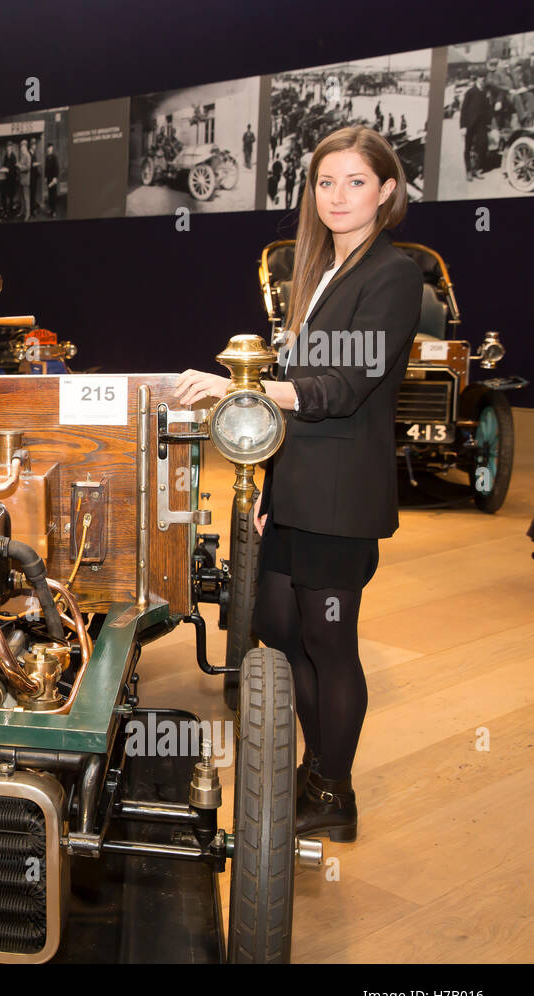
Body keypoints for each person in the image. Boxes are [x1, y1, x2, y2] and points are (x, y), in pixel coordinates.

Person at [174, 125, 420, 843]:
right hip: (299, 491)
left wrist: (240, 389)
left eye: (355, 182)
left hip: (341, 497)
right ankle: (317, 767)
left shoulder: (394, 274)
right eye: (325, 182)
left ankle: (334, 791)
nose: (338, 196)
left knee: (329, 642)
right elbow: (300, 393)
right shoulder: (316, 277)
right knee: (279, 631)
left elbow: (339, 388)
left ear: (387, 192)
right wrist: (271, 494)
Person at [460, 76, 491, 180]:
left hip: (481, 124)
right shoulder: (470, 92)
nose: (483, 80)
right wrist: (463, 126)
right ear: (477, 79)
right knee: (468, 148)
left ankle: (476, 169)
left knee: (482, 145)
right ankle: (468, 171)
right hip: (469, 124)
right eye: (481, 78)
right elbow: (463, 110)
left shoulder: (485, 92)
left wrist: (488, 122)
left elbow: (487, 108)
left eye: (484, 79)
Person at [44, 143, 60, 217]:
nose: (49, 149)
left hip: (53, 179)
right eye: (48, 148)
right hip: (48, 179)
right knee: (50, 195)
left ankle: (54, 211)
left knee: (54, 195)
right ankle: (51, 209)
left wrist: (55, 178)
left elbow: (56, 168)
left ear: (52, 149)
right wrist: (45, 177)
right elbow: (46, 169)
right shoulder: (47, 157)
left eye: (50, 148)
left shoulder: (54, 157)